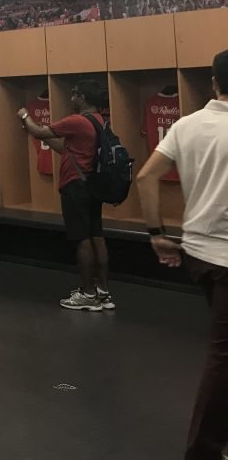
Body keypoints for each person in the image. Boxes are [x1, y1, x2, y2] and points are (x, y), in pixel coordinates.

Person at [137, 49, 228, 460]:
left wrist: (157, 234)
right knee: (222, 353)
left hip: (200, 252)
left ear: (213, 82)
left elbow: (146, 175)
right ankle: (203, 451)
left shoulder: (186, 125)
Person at [19, 79, 114, 311]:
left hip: (75, 186)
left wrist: (24, 115)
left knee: (82, 239)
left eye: (74, 95)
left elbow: (38, 130)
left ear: (83, 97)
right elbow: (66, 150)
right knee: (96, 235)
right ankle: (102, 291)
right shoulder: (100, 121)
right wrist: (41, 135)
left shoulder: (77, 121)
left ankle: (88, 295)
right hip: (92, 185)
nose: (71, 99)